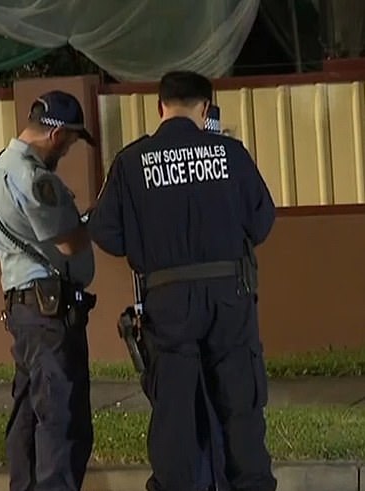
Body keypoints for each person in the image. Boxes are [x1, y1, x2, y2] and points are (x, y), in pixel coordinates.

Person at [88, 71, 278, 491]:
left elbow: (104, 232)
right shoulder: (230, 153)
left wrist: (145, 244)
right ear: (206, 109)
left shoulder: (132, 161)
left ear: (161, 108)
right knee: (240, 407)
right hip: (230, 297)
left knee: (174, 411)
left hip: (167, 300)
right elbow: (262, 222)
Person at [0, 90, 98, 491]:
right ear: (56, 133)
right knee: (61, 420)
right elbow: (67, 241)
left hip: (25, 308)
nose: (67, 150)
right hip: (49, 312)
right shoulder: (34, 175)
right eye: (70, 141)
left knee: (29, 416)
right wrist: (92, 223)